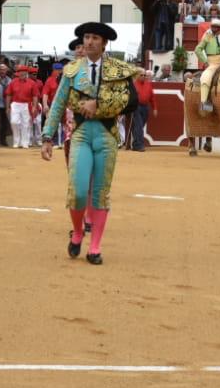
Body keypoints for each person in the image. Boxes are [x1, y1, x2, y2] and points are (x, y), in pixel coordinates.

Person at [40, 22, 144, 266]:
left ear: (104, 43)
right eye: (86, 37)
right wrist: (47, 137)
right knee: (77, 191)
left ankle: (95, 246)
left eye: (95, 38)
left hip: (107, 135)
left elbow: (131, 103)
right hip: (81, 134)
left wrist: (99, 105)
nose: (89, 42)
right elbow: (57, 104)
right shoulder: (72, 70)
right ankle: (78, 232)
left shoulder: (119, 70)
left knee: (100, 193)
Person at [6, 65, 42, 148]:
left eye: (24, 72)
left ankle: (24, 142)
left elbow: (35, 96)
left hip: (26, 104)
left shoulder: (32, 83)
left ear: (26, 73)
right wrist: (7, 107)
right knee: (14, 122)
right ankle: (16, 141)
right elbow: (8, 95)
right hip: (15, 104)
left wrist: (34, 106)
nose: (22, 73)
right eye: (20, 71)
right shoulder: (13, 82)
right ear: (18, 73)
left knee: (26, 124)